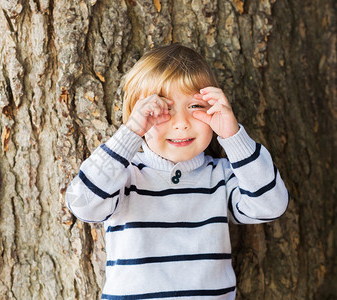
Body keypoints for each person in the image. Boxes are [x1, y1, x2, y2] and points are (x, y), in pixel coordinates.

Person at [65, 44, 289, 300]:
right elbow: (82, 203)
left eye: (195, 106)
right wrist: (130, 134)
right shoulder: (124, 177)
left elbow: (270, 205)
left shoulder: (221, 177)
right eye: (162, 109)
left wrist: (233, 135)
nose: (181, 123)